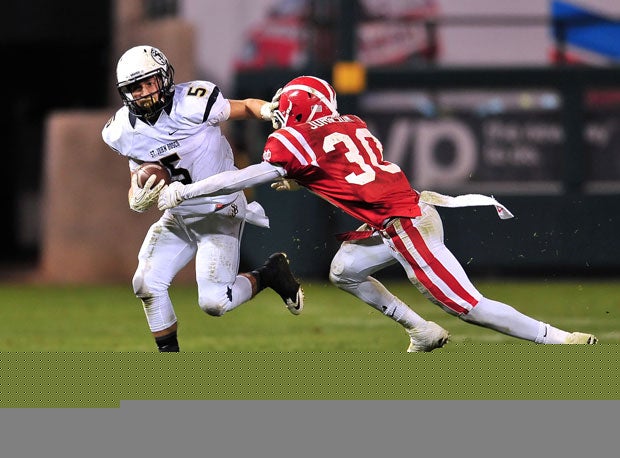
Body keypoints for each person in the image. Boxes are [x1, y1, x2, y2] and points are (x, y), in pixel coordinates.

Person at [157, 75, 598, 351]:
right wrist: (301, 176)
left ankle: (558, 340)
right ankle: (420, 331)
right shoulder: (352, 122)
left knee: (466, 306)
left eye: (285, 110)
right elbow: (347, 166)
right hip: (396, 217)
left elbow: (243, 175)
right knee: (344, 271)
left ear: (295, 109)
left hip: (405, 224)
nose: (280, 118)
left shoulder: (294, 141)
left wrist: (188, 190)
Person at [101, 45, 303, 352]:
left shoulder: (194, 103)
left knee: (214, 302)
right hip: (179, 214)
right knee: (145, 284)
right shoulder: (121, 131)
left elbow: (245, 106)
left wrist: (266, 110)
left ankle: (270, 274)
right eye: (134, 88)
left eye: (148, 83)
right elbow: (137, 172)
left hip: (219, 210)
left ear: (164, 79)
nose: (142, 93)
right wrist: (135, 196)